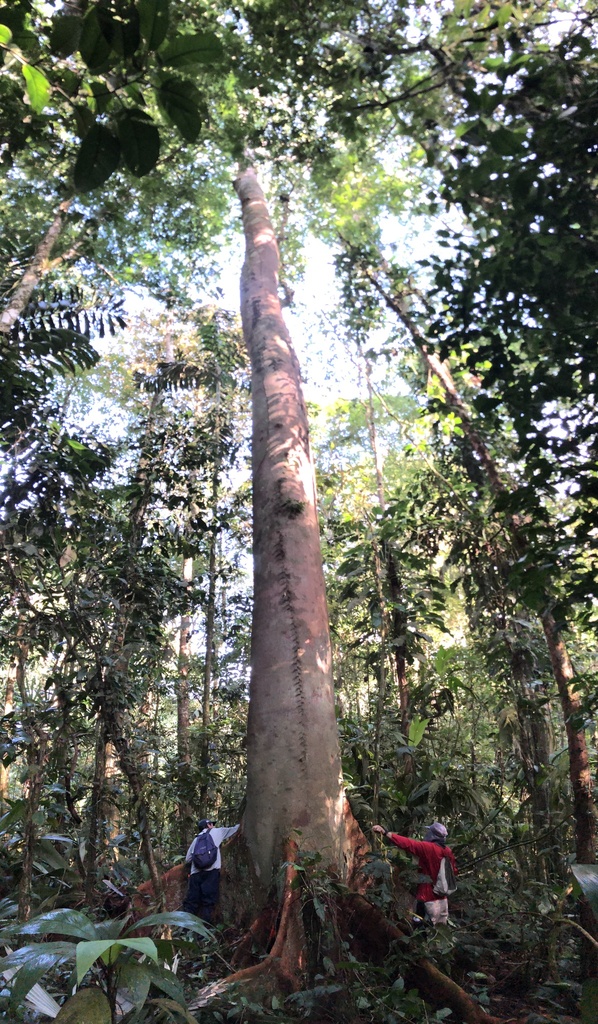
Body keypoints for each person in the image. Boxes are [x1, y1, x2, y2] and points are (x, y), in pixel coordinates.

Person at [372, 821, 457, 925]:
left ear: (432, 835)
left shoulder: (428, 848)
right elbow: (454, 871)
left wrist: (386, 833)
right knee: (437, 933)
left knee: (419, 929)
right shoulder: (448, 851)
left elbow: (408, 844)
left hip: (426, 898)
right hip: (442, 901)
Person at [182, 818, 240, 923]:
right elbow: (235, 829)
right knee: (208, 902)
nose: (213, 826)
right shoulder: (217, 832)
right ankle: (203, 932)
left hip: (195, 873)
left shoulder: (196, 839)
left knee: (192, 902)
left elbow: (188, 859)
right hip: (211, 872)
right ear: (208, 825)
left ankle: (185, 930)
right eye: (211, 824)